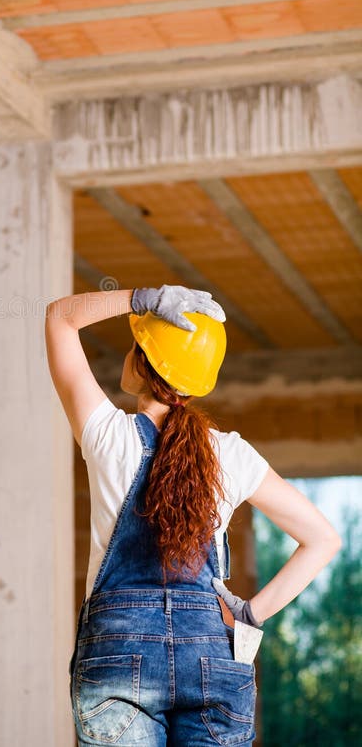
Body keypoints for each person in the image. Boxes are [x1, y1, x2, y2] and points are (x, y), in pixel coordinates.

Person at [45, 284, 342, 746]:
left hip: (119, 656)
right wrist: (249, 613)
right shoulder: (232, 455)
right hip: (213, 653)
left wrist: (140, 297)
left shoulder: (107, 436)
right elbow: (324, 539)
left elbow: (60, 318)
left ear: (142, 362)